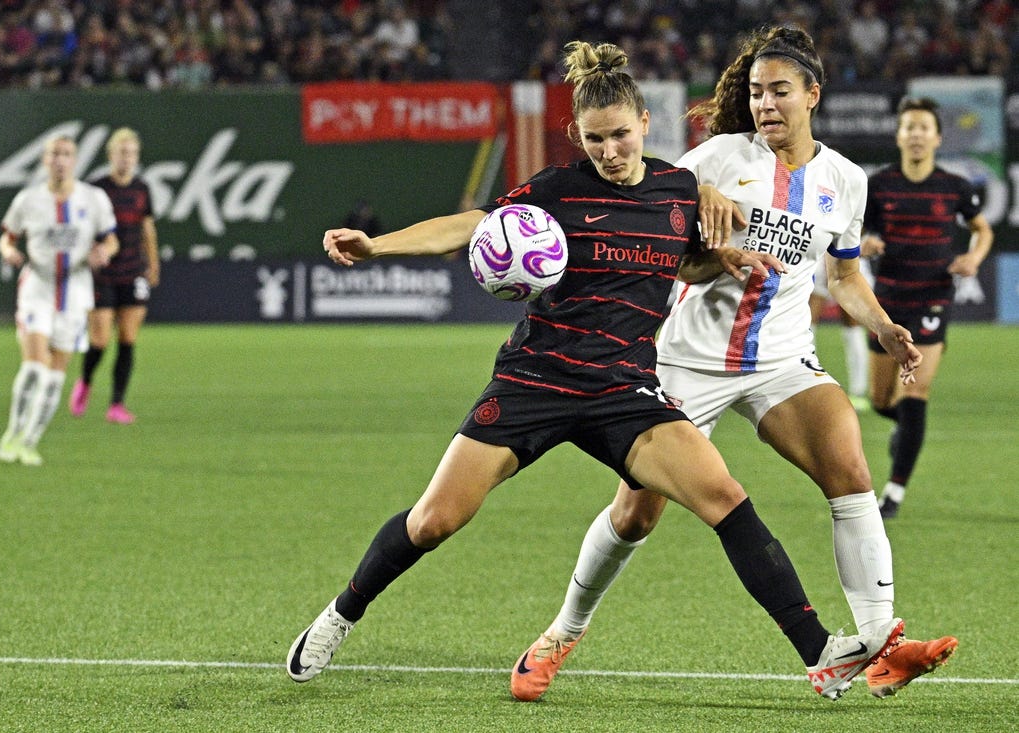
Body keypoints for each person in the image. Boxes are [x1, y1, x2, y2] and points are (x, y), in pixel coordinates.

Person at [288, 40, 903, 702]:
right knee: (434, 519)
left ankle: (822, 652)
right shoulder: (555, 191)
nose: (609, 151)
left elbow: (681, 260)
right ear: (577, 139)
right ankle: (339, 614)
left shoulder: (675, 190)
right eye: (593, 140)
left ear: (643, 123)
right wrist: (378, 243)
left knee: (722, 495)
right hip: (536, 381)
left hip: (624, 390)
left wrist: (720, 259)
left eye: (618, 135)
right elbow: (472, 224)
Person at [511, 27, 956, 704]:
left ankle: (879, 646)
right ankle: (557, 635)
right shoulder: (714, 159)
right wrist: (705, 225)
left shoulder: (842, 180)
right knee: (635, 512)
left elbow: (839, 277)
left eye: (779, 91)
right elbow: (658, 224)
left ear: (812, 93)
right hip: (686, 363)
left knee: (849, 466)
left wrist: (883, 325)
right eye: (755, 93)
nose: (765, 104)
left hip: (779, 360)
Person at [864, 96, 993, 519]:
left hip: (933, 296)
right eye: (909, 127)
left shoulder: (955, 186)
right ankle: (906, 428)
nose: (917, 134)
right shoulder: (879, 186)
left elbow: (982, 229)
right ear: (899, 135)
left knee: (915, 391)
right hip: (886, 302)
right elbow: (855, 232)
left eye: (924, 128)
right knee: (883, 399)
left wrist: (973, 258)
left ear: (937, 138)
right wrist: (865, 244)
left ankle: (894, 494)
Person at [0, 135, 118, 466]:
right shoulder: (28, 200)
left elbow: (111, 239)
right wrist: (9, 252)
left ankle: (30, 442)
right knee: (35, 367)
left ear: (75, 160)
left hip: (76, 292)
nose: (60, 160)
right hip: (38, 287)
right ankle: (12, 434)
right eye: (54, 154)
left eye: (66, 154)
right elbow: (7, 238)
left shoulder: (93, 199)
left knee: (55, 376)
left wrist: (104, 251)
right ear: (44, 161)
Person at [69, 127, 159, 424]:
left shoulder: (142, 189)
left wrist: (153, 263)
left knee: (129, 338)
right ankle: (85, 382)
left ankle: (117, 404)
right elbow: (81, 227)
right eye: (122, 152)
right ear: (111, 155)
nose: (127, 158)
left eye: (132, 153)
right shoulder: (96, 189)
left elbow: (147, 227)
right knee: (100, 339)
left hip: (134, 270)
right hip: (103, 272)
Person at [809, 255, 872, 412]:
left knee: (851, 324)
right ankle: (809, 386)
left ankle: (857, 390)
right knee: (810, 324)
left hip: (844, 259)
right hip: (835, 257)